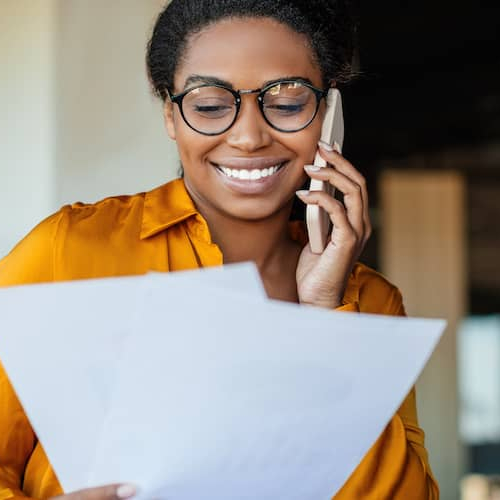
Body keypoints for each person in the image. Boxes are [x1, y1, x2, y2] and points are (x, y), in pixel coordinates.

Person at [0, 1, 438, 499]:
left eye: (288, 104)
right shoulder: (69, 253)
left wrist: (326, 321)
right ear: (171, 115)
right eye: (210, 106)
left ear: (329, 116)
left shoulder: (369, 305)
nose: (249, 137)